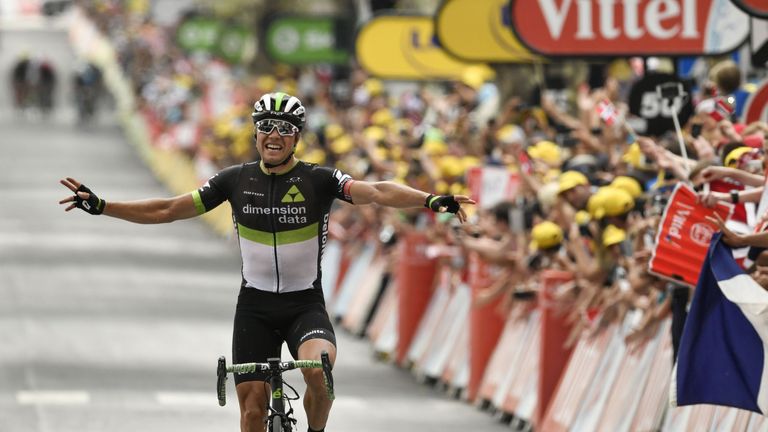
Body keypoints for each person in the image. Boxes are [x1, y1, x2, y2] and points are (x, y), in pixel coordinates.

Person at [59, 92, 475, 432]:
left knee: (319, 372)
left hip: (304, 305)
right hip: (254, 308)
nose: (273, 135)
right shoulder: (234, 180)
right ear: (255, 134)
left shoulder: (318, 179)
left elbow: (379, 191)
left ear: (296, 138)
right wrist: (103, 206)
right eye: (265, 127)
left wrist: (431, 200)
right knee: (252, 413)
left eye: (284, 129)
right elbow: (168, 209)